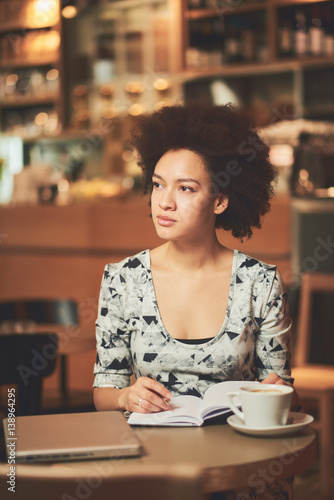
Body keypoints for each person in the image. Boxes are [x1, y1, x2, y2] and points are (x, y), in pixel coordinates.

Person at [93, 101, 298, 500]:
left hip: (238, 463)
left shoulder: (260, 282)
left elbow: (286, 390)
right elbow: (105, 391)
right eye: (157, 184)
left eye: (185, 188)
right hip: (151, 461)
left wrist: (277, 391)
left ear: (220, 200)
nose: (164, 202)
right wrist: (124, 396)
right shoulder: (122, 280)